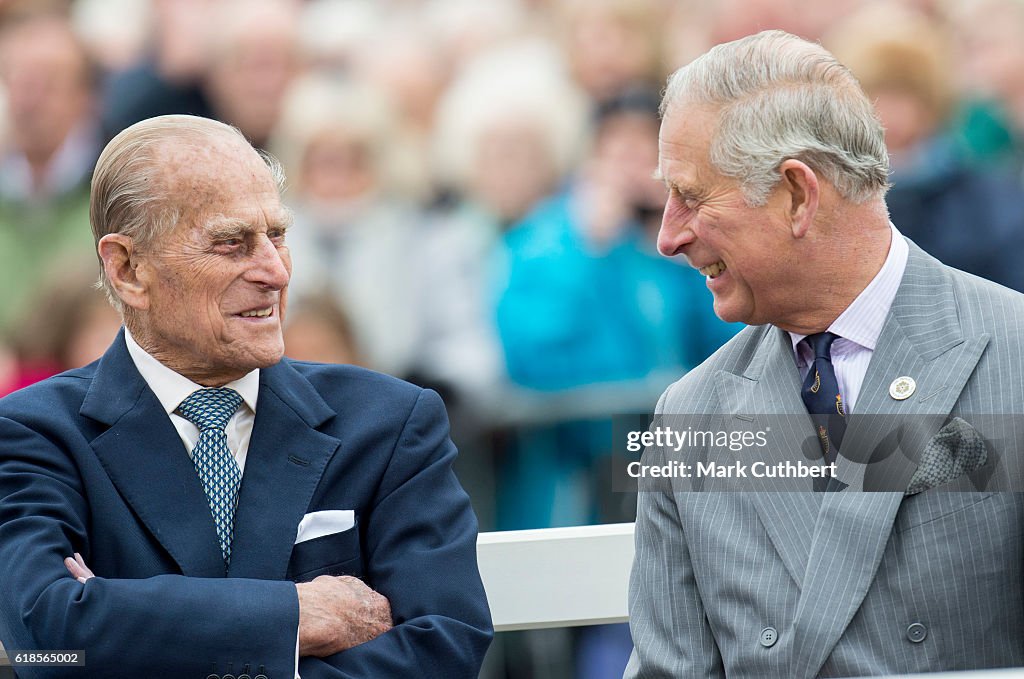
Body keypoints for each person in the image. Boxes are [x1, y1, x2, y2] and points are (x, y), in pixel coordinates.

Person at [0, 115, 492, 678]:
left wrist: (119, 621)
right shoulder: (35, 433)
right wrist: (292, 615)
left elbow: (444, 648)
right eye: (232, 243)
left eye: (278, 235)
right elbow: (44, 644)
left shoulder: (391, 423)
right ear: (129, 269)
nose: (276, 271)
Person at [626, 30, 1024, 678]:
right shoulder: (690, 418)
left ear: (797, 195)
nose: (668, 236)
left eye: (692, 196)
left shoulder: (1014, 360)